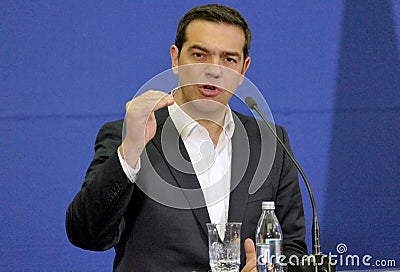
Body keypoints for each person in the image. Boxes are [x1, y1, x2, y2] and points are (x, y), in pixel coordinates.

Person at [66, 4, 307, 271]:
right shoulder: (131, 135)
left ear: (243, 70)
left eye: (229, 59)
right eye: (200, 55)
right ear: (176, 59)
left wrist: (271, 268)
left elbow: (294, 249)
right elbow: (86, 234)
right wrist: (130, 151)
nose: (214, 71)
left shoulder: (271, 143)